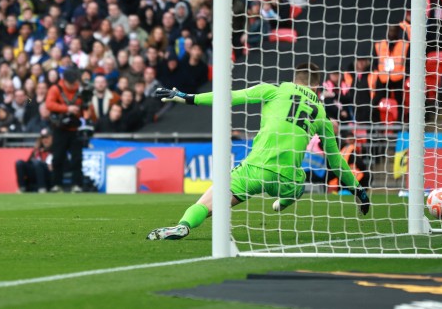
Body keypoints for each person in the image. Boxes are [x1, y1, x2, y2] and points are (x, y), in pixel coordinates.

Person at [146, 63, 370, 240]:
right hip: (288, 179)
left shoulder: (275, 90)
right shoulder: (321, 114)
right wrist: (358, 190)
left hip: (256, 169)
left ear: (295, 78)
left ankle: (184, 225)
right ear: (317, 86)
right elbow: (336, 162)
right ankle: (282, 202)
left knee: (208, 203)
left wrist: (188, 97)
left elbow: (230, 97)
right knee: (300, 182)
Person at [45, 67, 89, 193]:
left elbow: (86, 108)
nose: (74, 85)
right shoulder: (56, 89)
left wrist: (84, 110)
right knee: (58, 158)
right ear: (64, 81)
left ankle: (77, 185)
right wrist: (67, 109)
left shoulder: (81, 90)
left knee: (77, 159)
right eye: (71, 83)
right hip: (60, 129)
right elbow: (49, 104)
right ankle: (56, 185)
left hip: (75, 128)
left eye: (75, 82)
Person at [15, 127, 54, 193]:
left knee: (37, 163)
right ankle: (22, 187)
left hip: (49, 175)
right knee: (19, 163)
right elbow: (29, 163)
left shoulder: (57, 150)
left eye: (47, 137)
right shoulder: (37, 151)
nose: (45, 140)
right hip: (36, 174)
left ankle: (42, 188)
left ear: (52, 138)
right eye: (43, 138)